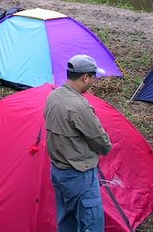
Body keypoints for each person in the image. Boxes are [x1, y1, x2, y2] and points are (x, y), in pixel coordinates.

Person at [44, 55, 112, 232]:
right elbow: (102, 144)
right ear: (85, 77)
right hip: (79, 174)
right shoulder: (80, 106)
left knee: (67, 219)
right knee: (91, 222)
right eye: (93, 77)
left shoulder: (54, 95)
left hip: (58, 170)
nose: (94, 81)